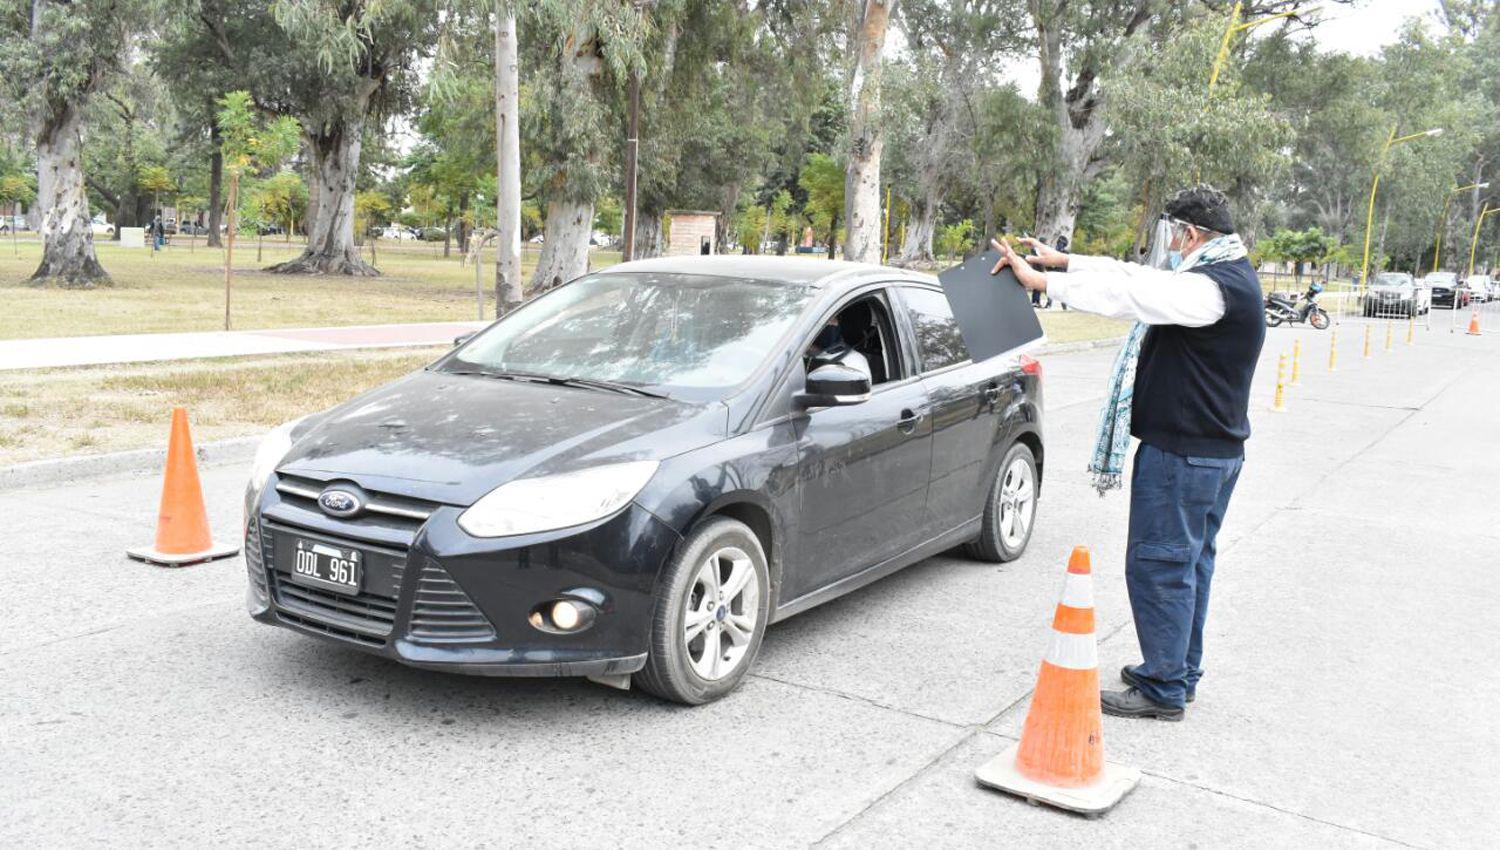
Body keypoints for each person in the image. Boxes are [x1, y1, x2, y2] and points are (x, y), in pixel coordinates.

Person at [991, 185, 1265, 721]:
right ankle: (1177, 671)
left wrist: (1045, 283)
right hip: (1209, 453)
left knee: (1160, 566)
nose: (1168, 247)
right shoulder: (1227, 273)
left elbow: (1130, 296)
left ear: (1189, 235)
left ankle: (1163, 686)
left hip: (1184, 455)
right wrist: (1066, 261)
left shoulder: (1208, 290)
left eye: (1171, 236)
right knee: (1189, 565)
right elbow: (1136, 277)